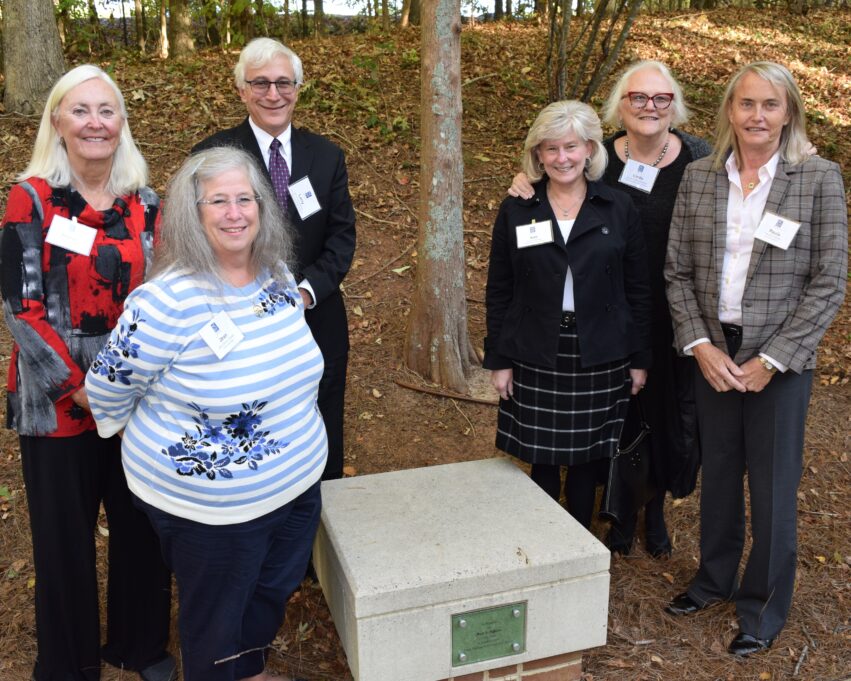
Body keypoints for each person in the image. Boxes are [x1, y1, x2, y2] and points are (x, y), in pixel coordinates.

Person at [86, 147, 324, 681]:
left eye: (245, 199)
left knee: (270, 591)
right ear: (193, 215)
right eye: (218, 201)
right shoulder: (165, 302)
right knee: (215, 618)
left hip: (296, 487)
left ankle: (249, 669)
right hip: (213, 514)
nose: (235, 212)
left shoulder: (278, 276)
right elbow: (107, 387)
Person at [663, 62, 847, 656]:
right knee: (718, 474)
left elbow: (829, 280)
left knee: (771, 489)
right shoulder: (699, 177)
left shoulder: (818, 178)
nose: (757, 117)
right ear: (730, 112)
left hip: (779, 361)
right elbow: (676, 272)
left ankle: (762, 607)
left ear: (788, 111)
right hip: (714, 353)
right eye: (746, 105)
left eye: (770, 105)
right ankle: (713, 579)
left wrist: (772, 359)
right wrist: (700, 345)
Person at [0, 65, 174, 681]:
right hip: (56, 402)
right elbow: (19, 308)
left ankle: (140, 643)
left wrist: (133, 388)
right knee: (63, 540)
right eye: (81, 110)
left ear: (122, 122)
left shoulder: (146, 202)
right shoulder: (32, 198)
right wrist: (83, 389)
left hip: (138, 398)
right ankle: (69, 665)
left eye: (107, 109)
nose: (96, 121)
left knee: (142, 523)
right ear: (57, 121)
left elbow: (164, 296)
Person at [510, 61, 711, 557]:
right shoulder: (602, 159)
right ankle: (614, 512)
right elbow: (559, 172)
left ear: (674, 105)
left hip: (674, 308)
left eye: (660, 98)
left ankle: (653, 509)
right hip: (607, 311)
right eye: (637, 97)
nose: (649, 107)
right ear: (619, 105)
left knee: (661, 416)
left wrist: (800, 150)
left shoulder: (701, 158)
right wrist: (526, 176)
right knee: (611, 417)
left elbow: (750, 171)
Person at [192, 37, 355, 483]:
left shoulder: (326, 156)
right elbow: (195, 240)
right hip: (237, 325)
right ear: (241, 89)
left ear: (298, 88)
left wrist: (303, 294)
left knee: (324, 433)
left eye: (284, 82)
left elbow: (342, 240)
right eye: (260, 83)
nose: (273, 93)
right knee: (252, 436)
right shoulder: (214, 155)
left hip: (316, 320)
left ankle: (322, 541)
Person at [484, 100, 652, 529]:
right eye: (552, 149)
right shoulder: (518, 208)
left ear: (591, 150)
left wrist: (640, 359)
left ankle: (577, 539)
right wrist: (498, 359)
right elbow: (500, 289)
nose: (562, 158)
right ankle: (543, 541)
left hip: (600, 350)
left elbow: (638, 288)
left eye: (571, 147)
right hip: (535, 348)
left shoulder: (617, 208)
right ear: (538, 154)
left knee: (586, 459)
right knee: (540, 456)